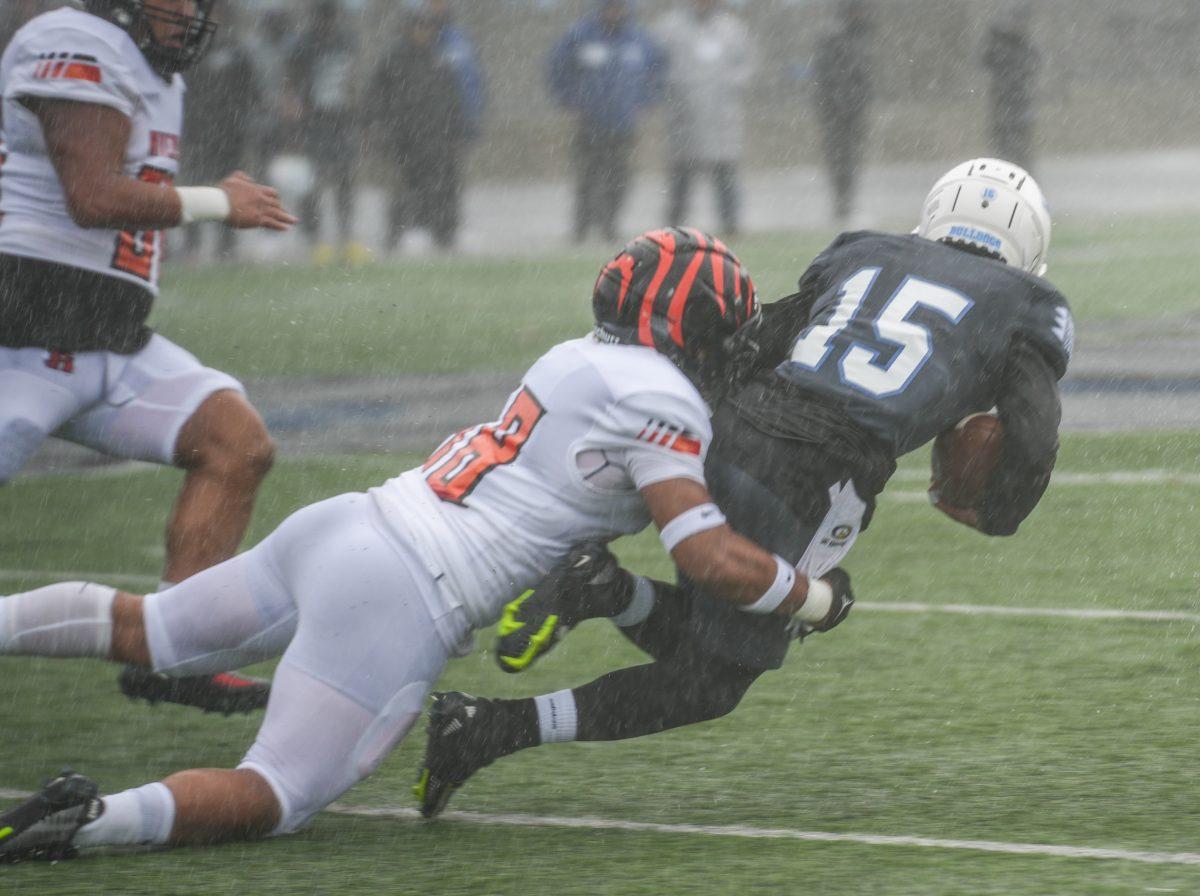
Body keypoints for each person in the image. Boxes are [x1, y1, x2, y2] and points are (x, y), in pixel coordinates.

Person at [0, 227, 855, 860]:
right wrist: (811, 595)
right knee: (278, 794)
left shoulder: (577, 358)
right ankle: (87, 823)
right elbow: (706, 558)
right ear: (697, 329)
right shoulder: (662, 402)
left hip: (349, 524)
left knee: (151, 630)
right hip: (403, 593)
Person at [413, 158, 1074, 818]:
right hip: (822, 468)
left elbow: (763, 338)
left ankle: (602, 591)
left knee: (713, 632)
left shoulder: (865, 252)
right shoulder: (1026, 306)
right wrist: (999, 506)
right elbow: (1034, 437)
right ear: (1029, 250)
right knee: (713, 681)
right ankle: (492, 727)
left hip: (732, 425)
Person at [0, 2, 296, 711]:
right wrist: (218, 203)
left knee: (236, 444)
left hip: (106, 331)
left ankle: (176, 652)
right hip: (21, 327)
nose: (191, 14)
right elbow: (94, 196)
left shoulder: (156, 69)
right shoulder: (74, 40)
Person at [548, 0, 667, 243]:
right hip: (590, 123)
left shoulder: (638, 40)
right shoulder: (580, 35)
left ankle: (610, 224)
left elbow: (658, 70)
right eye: (610, 7)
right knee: (587, 176)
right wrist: (569, 98)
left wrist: (646, 99)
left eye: (619, 7)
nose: (614, 12)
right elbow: (556, 67)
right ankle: (581, 227)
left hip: (624, 124)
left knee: (620, 177)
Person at [372, 8, 470, 252]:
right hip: (404, 138)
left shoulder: (438, 57)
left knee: (440, 187)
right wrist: (381, 127)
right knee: (404, 188)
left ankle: (442, 235)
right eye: (420, 28)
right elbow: (375, 96)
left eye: (429, 28)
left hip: (437, 136)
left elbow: (451, 96)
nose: (424, 33)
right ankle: (397, 235)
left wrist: (457, 129)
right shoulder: (393, 58)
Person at [654, 0, 753, 236]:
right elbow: (657, 67)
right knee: (681, 178)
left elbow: (747, 64)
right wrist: (675, 90)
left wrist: (731, 85)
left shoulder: (732, 28)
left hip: (722, 117)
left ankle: (731, 225)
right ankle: (672, 229)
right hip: (684, 118)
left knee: (725, 174)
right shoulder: (670, 28)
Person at [180, 8, 261, 262]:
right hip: (197, 130)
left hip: (229, 132)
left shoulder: (236, 52)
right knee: (195, 184)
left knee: (227, 185)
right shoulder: (190, 49)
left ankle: (226, 245)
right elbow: (182, 87)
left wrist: (242, 118)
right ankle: (192, 245)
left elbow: (251, 90)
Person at [289, 0, 365, 265]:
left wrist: (357, 112)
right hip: (316, 122)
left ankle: (346, 236)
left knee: (344, 180)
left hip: (341, 121)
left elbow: (353, 78)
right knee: (314, 181)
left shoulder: (346, 40)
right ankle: (316, 238)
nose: (329, 23)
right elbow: (294, 82)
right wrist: (297, 115)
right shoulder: (305, 44)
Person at [812, 0, 873, 227]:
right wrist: (837, 101)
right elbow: (827, 74)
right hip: (836, 110)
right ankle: (841, 203)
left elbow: (862, 74)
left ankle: (846, 202)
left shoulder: (862, 35)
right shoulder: (833, 36)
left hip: (852, 109)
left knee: (850, 157)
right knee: (840, 157)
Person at [982, 5, 1039, 172]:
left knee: (1018, 138)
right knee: (1005, 140)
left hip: (1017, 98)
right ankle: (1008, 167)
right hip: (1004, 98)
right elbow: (986, 60)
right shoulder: (1002, 44)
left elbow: (1034, 62)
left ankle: (1018, 167)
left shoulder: (1022, 43)